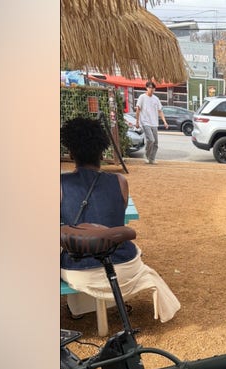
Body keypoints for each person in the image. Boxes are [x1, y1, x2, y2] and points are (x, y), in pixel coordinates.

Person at [60, 117, 181, 322]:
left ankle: (79, 308)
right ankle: (108, 302)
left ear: (71, 153)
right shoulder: (120, 181)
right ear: (102, 152)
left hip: (80, 272)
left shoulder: (60, 184)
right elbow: (114, 217)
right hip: (124, 267)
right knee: (130, 249)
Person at [134, 80, 169, 164]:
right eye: (150, 87)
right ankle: (146, 156)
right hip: (145, 122)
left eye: (153, 88)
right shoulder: (142, 97)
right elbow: (138, 110)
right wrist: (137, 122)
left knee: (156, 143)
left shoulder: (156, 99)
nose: (151, 89)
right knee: (151, 140)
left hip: (154, 123)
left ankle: (152, 159)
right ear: (146, 88)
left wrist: (165, 122)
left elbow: (160, 111)